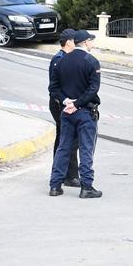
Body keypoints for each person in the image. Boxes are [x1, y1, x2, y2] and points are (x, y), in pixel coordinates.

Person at [49, 29, 102, 198]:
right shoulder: (91, 61)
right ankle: (86, 187)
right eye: (91, 41)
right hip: (85, 112)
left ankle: (55, 186)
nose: (92, 43)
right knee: (86, 148)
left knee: (63, 148)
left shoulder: (62, 61)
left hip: (67, 112)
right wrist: (77, 103)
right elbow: (93, 89)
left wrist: (66, 102)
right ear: (85, 42)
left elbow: (53, 88)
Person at [47, 28, 80, 188]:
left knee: (64, 137)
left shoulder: (66, 58)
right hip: (60, 104)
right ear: (68, 42)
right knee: (69, 138)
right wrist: (65, 101)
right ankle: (68, 175)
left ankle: (61, 173)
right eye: (75, 41)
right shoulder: (59, 59)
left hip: (64, 103)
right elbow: (54, 87)